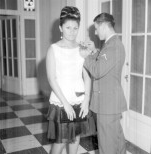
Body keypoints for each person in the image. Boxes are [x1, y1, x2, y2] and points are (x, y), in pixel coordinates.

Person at [46, 6, 95, 154]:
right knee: (61, 142)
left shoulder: (82, 49)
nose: (72, 32)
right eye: (68, 27)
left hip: (79, 101)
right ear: (61, 28)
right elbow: (51, 78)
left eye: (75, 28)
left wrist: (86, 100)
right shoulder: (53, 49)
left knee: (75, 139)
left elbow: (87, 76)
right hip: (61, 102)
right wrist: (65, 104)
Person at [80, 13, 128, 154]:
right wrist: (94, 51)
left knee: (106, 146)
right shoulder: (110, 45)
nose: (95, 32)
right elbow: (104, 63)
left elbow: (97, 71)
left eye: (96, 28)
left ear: (103, 26)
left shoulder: (113, 46)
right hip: (110, 104)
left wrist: (85, 57)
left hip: (107, 105)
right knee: (117, 141)